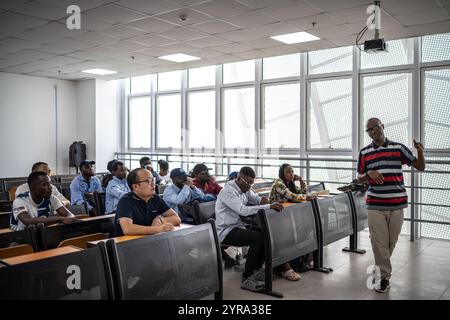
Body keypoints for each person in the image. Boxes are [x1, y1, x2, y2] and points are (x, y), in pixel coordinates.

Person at [357, 117, 425, 293]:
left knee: (389, 242)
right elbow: (359, 177)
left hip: (397, 203)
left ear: (382, 127)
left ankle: (381, 268)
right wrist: (369, 173)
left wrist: (420, 152)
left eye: (375, 127)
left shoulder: (398, 148)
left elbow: (420, 166)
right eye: (369, 130)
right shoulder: (364, 153)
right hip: (375, 204)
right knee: (379, 243)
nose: (372, 131)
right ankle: (383, 277)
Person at [215, 166, 284, 292]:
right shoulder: (228, 191)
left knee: (265, 233)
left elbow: (256, 198)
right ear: (239, 178)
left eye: (251, 183)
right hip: (226, 231)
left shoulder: (244, 187)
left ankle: (256, 271)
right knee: (257, 238)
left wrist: (262, 200)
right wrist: (269, 206)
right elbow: (243, 210)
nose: (249, 186)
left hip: (238, 226)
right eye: (248, 183)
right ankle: (246, 278)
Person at [268, 163, 318, 281]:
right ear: (282, 173)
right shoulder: (279, 184)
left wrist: (301, 181)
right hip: (275, 218)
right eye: (288, 172)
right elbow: (293, 197)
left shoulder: (289, 183)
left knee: (308, 226)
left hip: (286, 216)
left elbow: (303, 193)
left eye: (292, 171)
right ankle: (285, 267)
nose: (292, 174)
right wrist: (306, 197)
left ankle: (299, 257)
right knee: (291, 234)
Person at [115, 168, 180, 236]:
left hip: (149, 240)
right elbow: (128, 229)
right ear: (136, 186)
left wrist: (160, 220)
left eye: (153, 180)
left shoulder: (155, 198)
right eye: (148, 181)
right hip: (127, 243)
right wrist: (157, 229)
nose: (153, 184)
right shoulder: (125, 201)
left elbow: (176, 218)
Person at [11, 172, 78, 231]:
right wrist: (60, 219)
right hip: (21, 236)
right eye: (44, 185)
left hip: (44, 233)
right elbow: (28, 221)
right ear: (32, 187)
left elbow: (69, 215)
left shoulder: (52, 198)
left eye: (49, 184)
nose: (50, 187)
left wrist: (69, 218)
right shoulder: (20, 200)